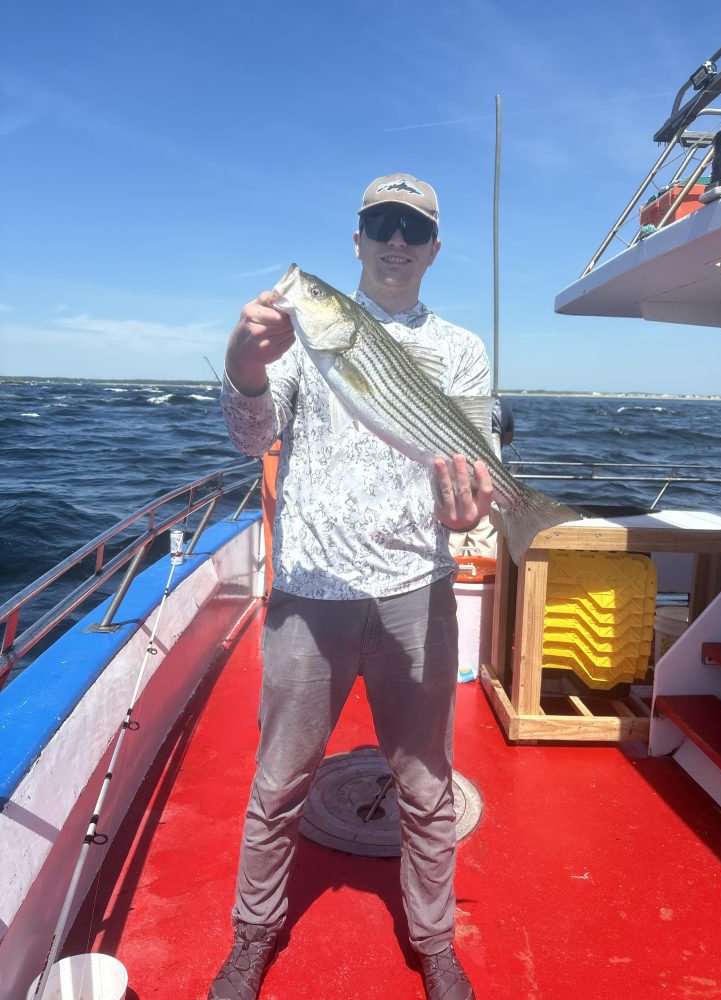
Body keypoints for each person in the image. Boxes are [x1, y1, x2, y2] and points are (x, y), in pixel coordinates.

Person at [210, 173, 492, 1000]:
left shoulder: (462, 349)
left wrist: (475, 505)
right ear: (358, 241)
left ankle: (434, 942)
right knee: (279, 782)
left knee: (426, 781)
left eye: (413, 227)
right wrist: (243, 368)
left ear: (434, 249)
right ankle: (252, 937)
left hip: (417, 589)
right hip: (311, 590)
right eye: (381, 225)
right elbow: (249, 435)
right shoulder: (299, 337)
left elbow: (469, 476)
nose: (396, 240)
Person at [449, 394, 515, 558]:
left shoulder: (454, 398)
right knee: (486, 522)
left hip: (456, 466)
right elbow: (508, 437)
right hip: (490, 471)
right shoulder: (500, 403)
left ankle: (451, 571)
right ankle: (483, 571)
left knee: (453, 524)